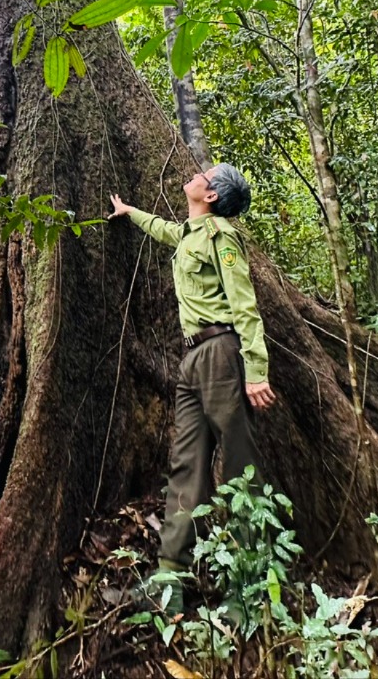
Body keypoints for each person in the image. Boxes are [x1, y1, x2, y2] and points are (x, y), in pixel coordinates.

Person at [108, 163, 276, 615]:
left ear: (212, 195)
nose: (196, 174)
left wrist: (256, 370)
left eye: (205, 173)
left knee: (239, 465)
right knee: (187, 466)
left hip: (222, 353)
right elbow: (165, 230)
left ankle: (249, 587)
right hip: (192, 358)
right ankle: (170, 580)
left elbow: (244, 304)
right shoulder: (190, 233)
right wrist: (129, 212)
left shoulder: (222, 237)